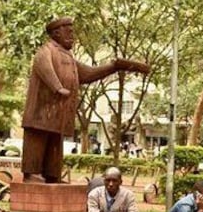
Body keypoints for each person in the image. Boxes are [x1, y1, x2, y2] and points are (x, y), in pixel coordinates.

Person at [20, 17, 149, 183]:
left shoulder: (68, 57)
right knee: (37, 141)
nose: (72, 35)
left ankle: (52, 174)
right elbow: (44, 68)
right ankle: (31, 173)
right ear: (57, 33)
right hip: (40, 110)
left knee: (54, 145)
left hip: (57, 113)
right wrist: (57, 87)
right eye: (69, 31)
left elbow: (87, 74)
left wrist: (114, 67)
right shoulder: (46, 50)